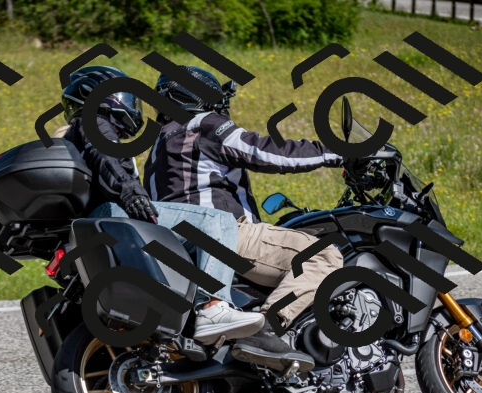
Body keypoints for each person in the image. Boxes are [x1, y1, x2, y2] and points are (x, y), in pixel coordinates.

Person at [145, 66, 367, 372]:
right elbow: (265, 152)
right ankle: (266, 330)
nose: (220, 108)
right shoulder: (202, 125)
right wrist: (339, 152)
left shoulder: (158, 146)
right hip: (225, 233)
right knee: (323, 255)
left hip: (183, 241)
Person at [56, 65, 265, 345]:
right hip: (112, 213)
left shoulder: (78, 131)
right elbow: (104, 157)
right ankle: (212, 307)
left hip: (99, 218)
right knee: (217, 221)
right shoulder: (95, 122)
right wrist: (130, 191)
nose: (132, 106)